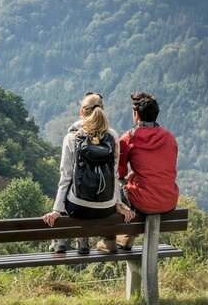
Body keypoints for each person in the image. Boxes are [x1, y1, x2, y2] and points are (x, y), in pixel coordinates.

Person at [41, 91, 134, 254]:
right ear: (102, 111)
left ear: (82, 112)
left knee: (69, 193)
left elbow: (66, 177)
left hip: (79, 208)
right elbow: (114, 175)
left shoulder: (72, 137)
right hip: (107, 207)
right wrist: (119, 206)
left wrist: (57, 210)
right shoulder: (112, 136)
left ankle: (61, 241)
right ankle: (81, 241)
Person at [116, 91, 179, 250]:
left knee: (113, 185)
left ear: (136, 115)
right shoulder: (170, 137)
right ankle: (127, 236)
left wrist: (130, 176)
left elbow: (119, 173)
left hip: (143, 202)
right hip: (169, 200)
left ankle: (118, 236)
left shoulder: (128, 138)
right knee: (143, 191)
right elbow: (162, 168)